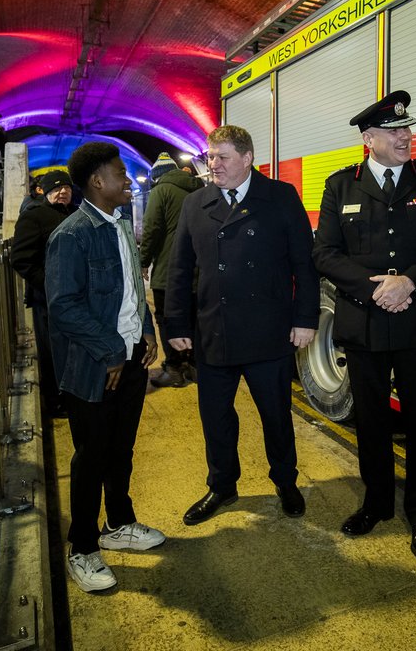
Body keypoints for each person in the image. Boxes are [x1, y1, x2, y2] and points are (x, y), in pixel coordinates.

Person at [312, 90, 416, 561]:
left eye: (408, 129)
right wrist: (374, 287)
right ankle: (376, 503)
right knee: (373, 423)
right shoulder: (342, 185)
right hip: (365, 322)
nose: (406, 137)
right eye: (395, 131)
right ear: (369, 138)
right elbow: (324, 253)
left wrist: (409, 283)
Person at [165, 125, 319, 525]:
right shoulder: (196, 202)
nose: (212, 165)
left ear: (247, 158)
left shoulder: (280, 197)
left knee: (276, 415)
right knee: (215, 416)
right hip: (214, 329)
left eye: (222, 157)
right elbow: (179, 268)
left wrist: (305, 319)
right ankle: (222, 485)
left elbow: (305, 263)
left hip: (268, 330)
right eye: (210, 157)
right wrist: (176, 323)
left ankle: (285, 481)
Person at [45, 142, 162, 593]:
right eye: (119, 173)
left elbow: (133, 289)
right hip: (95, 364)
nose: (127, 180)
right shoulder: (72, 235)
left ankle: (119, 524)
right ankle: (83, 548)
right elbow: (64, 306)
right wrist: (112, 348)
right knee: (91, 457)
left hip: (129, 359)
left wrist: (147, 329)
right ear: (97, 182)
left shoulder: (119, 224)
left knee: (121, 450)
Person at [11, 169, 75, 417]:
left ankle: (71, 395)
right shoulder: (34, 216)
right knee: (52, 353)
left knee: (69, 349)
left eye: (66, 189)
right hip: (47, 299)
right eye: (57, 189)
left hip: (73, 297)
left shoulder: (73, 214)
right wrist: (49, 285)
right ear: (45, 192)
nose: (62, 192)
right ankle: (55, 402)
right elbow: (21, 259)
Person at [139, 151, 203, 387]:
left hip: (169, 269)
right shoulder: (200, 188)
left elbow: (152, 229)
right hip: (198, 269)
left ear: (158, 176)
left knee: (168, 319)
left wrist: (143, 261)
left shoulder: (161, 191)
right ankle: (195, 366)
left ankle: (174, 368)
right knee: (195, 317)